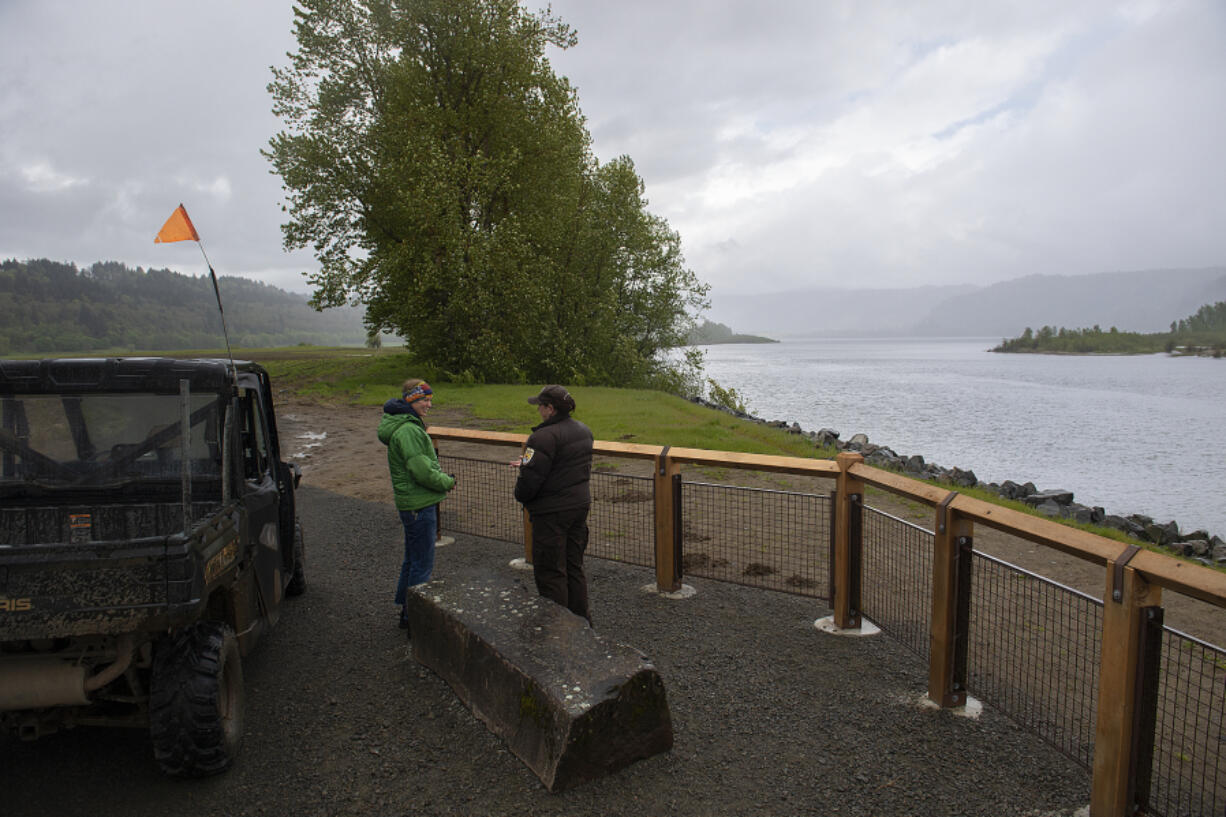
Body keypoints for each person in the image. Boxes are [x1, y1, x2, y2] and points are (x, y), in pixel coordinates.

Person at [512, 385, 594, 624]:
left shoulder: (541, 437)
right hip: (578, 506)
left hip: (551, 512)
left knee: (550, 571)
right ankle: (582, 623)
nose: (537, 409)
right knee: (573, 566)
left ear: (550, 408)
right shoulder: (583, 431)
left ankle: (558, 629)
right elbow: (565, 465)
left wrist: (521, 492)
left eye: (540, 405)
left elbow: (530, 481)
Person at [378, 379, 455, 631]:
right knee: (422, 564)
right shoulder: (409, 430)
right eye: (425, 399)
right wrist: (446, 482)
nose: (429, 405)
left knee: (412, 559)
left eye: (430, 399)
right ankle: (415, 621)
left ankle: (406, 610)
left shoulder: (403, 424)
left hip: (411, 504)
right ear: (411, 400)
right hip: (419, 505)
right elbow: (421, 470)